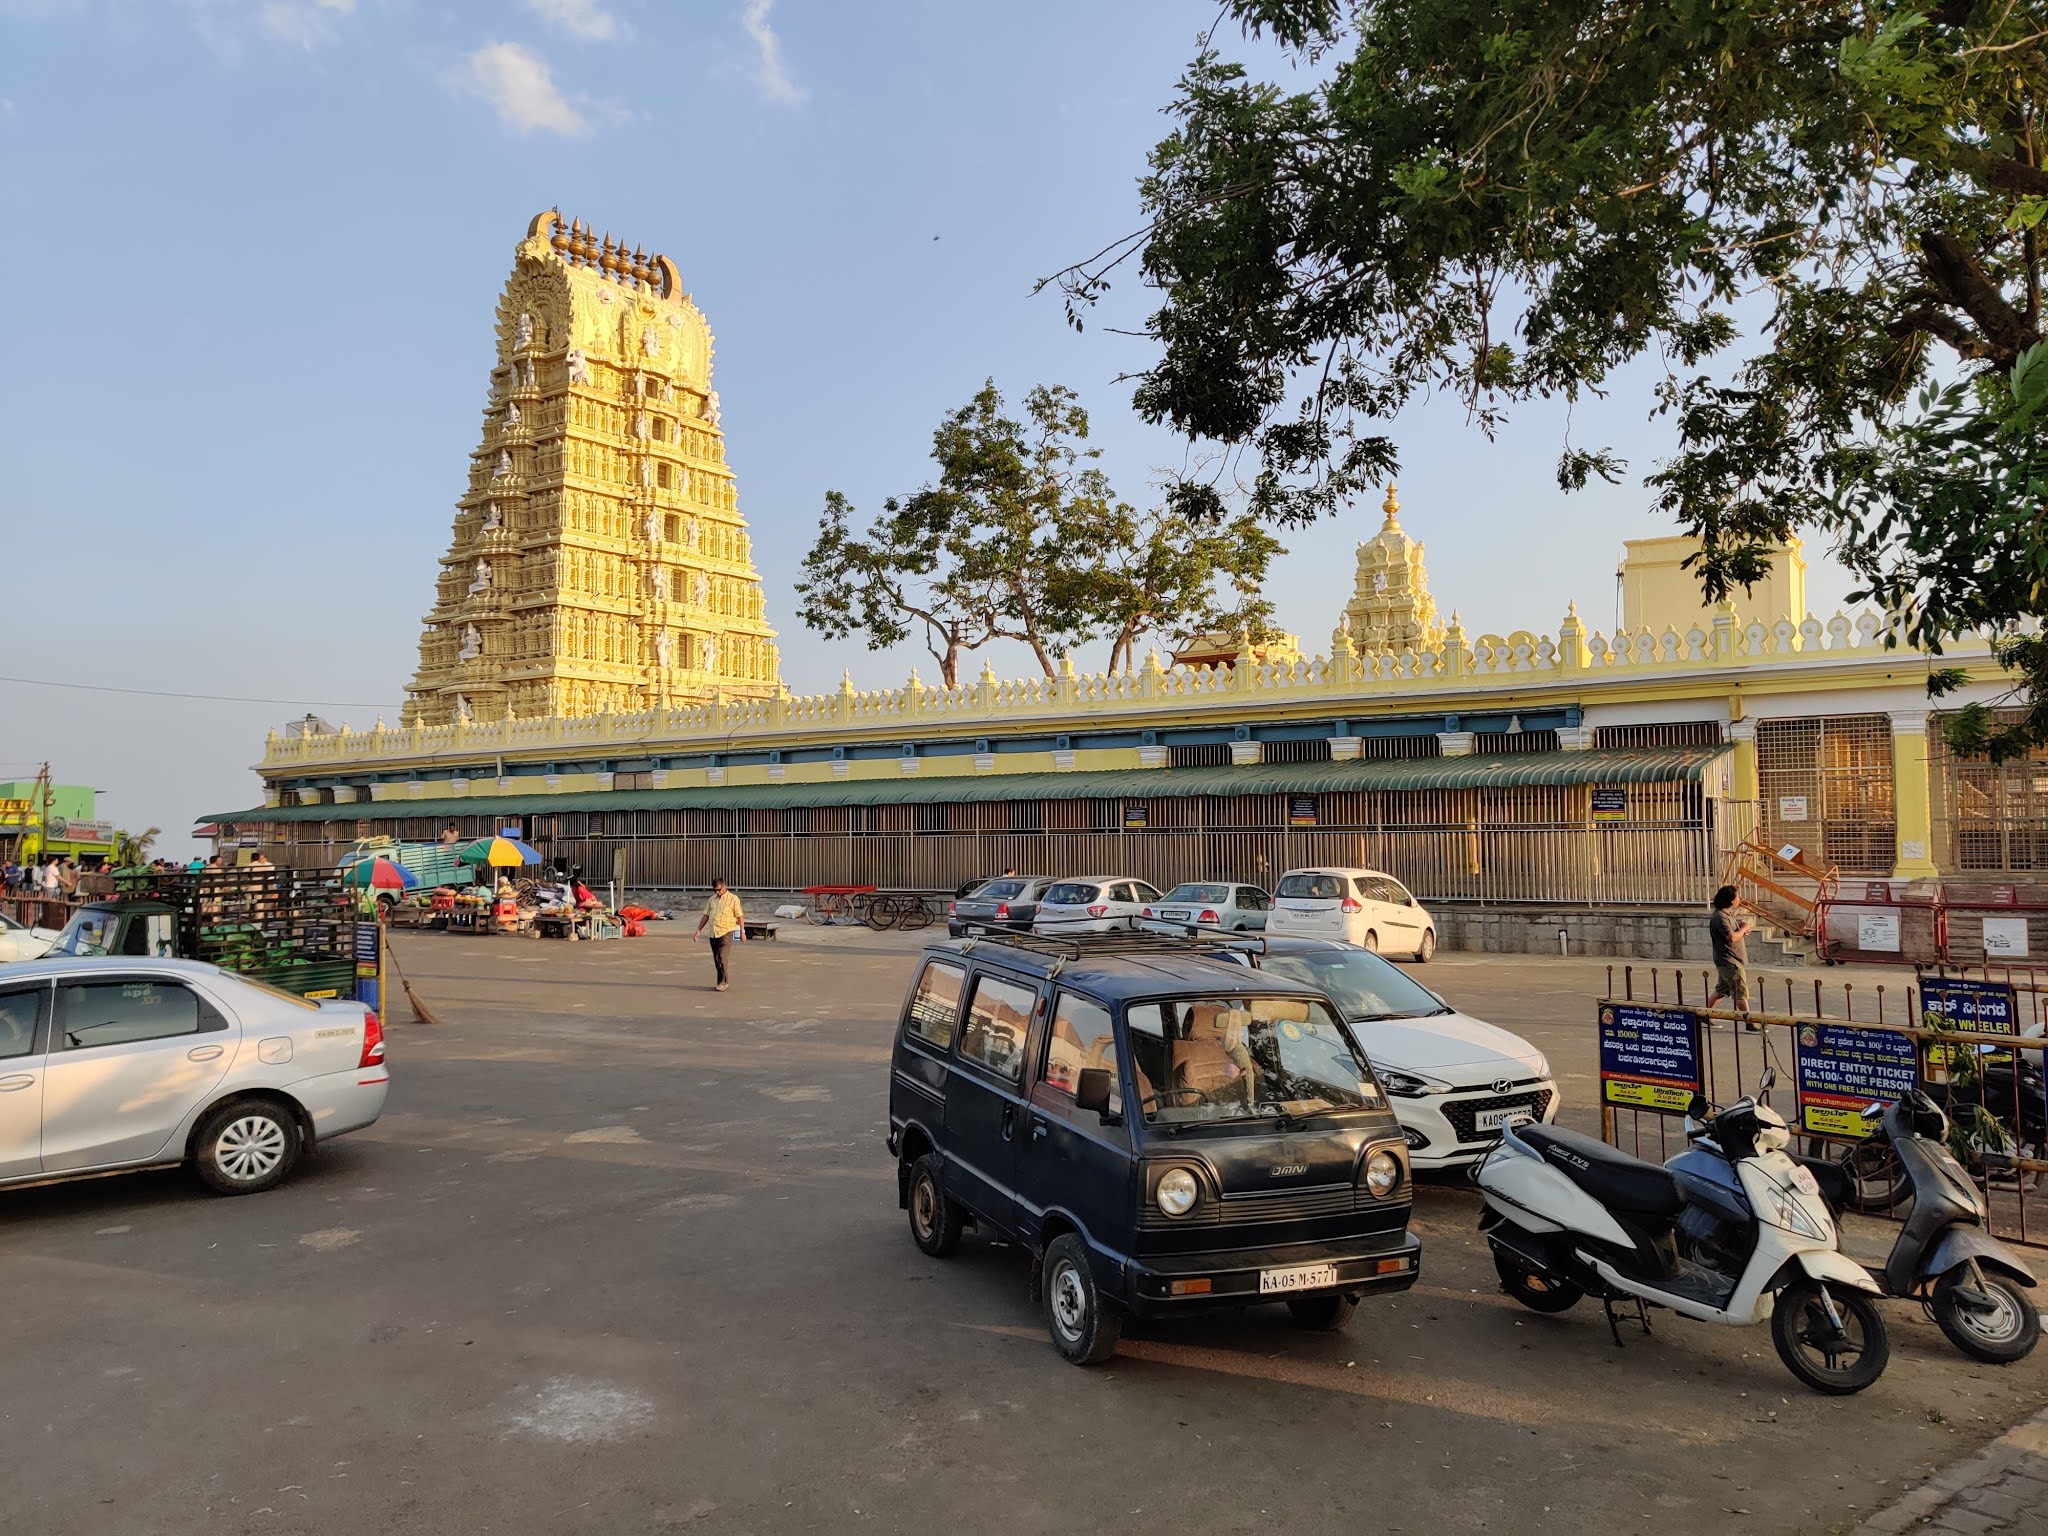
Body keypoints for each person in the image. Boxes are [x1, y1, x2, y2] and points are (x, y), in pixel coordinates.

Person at [694, 877, 746, 992]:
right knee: (717, 958)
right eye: (715, 890)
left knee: (722, 957)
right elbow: (706, 915)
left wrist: (743, 932)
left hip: (726, 932)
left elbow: (740, 916)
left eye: (719, 889)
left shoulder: (733, 899)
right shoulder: (712, 899)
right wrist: (698, 930)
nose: (717, 892)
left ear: (724, 886)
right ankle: (723, 981)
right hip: (713, 932)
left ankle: (722, 982)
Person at [1707, 885, 1753, 1014]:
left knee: (1721, 990)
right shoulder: (1720, 917)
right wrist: (1743, 928)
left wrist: (1742, 930)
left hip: (1730, 959)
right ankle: (1749, 1021)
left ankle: (1706, 1014)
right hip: (1730, 961)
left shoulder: (1727, 915)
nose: (1739, 899)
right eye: (1738, 897)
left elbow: (1734, 932)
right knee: (1740, 992)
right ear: (1731, 900)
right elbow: (1731, 937)